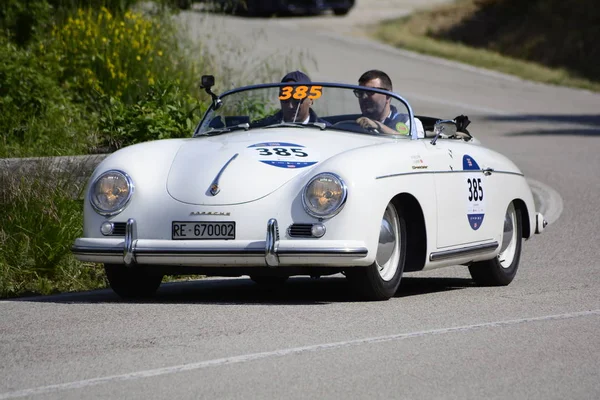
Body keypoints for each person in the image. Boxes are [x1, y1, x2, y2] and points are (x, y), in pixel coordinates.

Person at [354, 70, 423, 137]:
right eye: (360, 92)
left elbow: (413, 145)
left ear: (388, 95)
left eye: (370, 92)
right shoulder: (353, 122)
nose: (364, 97)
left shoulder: (409, 122)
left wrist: (378, 126)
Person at [252, 71, 329, 126]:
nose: (290, 106)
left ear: (311, 99)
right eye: (285, 99)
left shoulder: (327, 131)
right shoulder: (263, 127)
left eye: (297, 100)